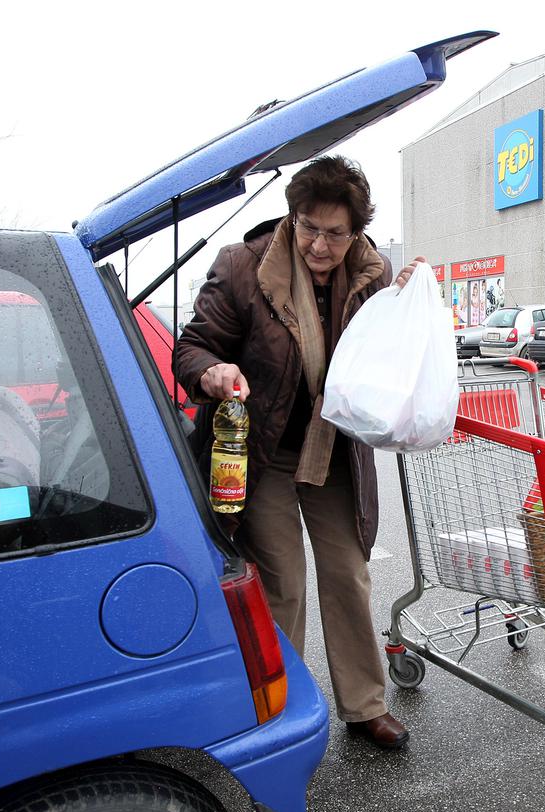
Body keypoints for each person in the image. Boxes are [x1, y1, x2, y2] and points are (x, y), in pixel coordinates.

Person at [175, 156, 423, 750]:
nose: (319, 243)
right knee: (283, 581)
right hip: (261, 455)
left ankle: (364, 706)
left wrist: (408, 302)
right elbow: (193, 347)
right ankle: (278, 710)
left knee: (348, 573)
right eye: (309, 226)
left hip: (333, 453)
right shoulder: (243, 267)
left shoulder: (374, 272)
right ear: (294, 216)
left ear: (357, 231)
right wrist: (212, 373)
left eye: (335, 232)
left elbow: (385, 353)